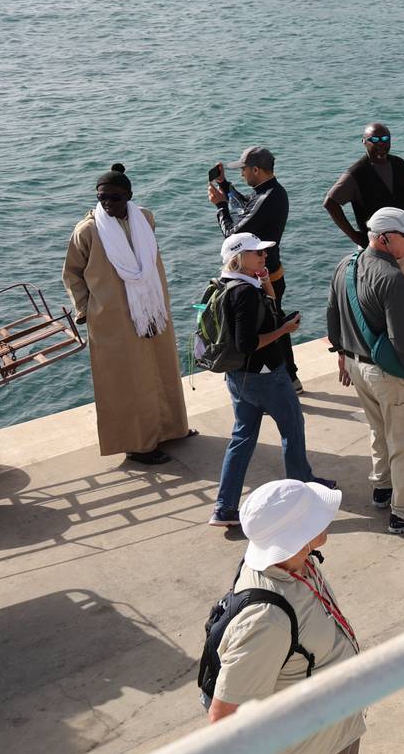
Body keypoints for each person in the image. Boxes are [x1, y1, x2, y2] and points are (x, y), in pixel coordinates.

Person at [206, 480, 363, 754]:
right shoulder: (266, 621)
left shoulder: (297, 562)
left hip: (336, 732)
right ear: (298, 535)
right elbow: (224, 720)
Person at [325, 207, 404, 535]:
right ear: (385, 238)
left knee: (378, 430)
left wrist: (341, 355)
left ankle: (383, 487)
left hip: (356, 363)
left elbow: (332, 314)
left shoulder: (346, 266)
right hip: (387, 373)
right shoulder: (392, 278)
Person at [63, 164, 191, 466]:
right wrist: (84, 309)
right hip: (113, 319)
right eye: (102, 198)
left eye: (115, 198)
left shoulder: (145, 218)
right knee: (126, 382)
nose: (108, 204)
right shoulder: (88, 230)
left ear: (129, 196)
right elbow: (71, 274)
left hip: (151, 310)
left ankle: (170, 429)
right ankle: (137, 446)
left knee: (162, 370)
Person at [210, 233, 328, 528]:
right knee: (292, 427)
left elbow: (268, 312)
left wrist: (265, 282)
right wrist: (285, 329)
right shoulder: (245, 294)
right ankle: (303, 487)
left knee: (242, 438)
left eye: (263, 252)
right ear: (238, 258)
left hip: (239, 377)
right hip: (265, 375)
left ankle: (224, 508)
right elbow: (247, 343)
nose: (263, 256)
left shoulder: (229, 284)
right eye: (256, 253)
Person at [210, 146, 299, 391]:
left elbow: (232, 236)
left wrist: (220, 207)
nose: (242, 175)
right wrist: (226, 188)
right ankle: (291, 377)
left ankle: (284, 378)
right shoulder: (272, 193)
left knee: (269, 328)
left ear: (256, 170)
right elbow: (249, 206)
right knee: (276, 323)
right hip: (270, 271)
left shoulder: (268, 197)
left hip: (261, 276)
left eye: (244, 170)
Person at [324, 123, 404, 296]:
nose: (381, 143)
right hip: (375, 249)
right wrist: (355, 236)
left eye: (385, 139)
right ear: (364, 142)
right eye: (374, 139)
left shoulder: (399, 164)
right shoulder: (356, 173)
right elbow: (330, 203)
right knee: (378, 298)